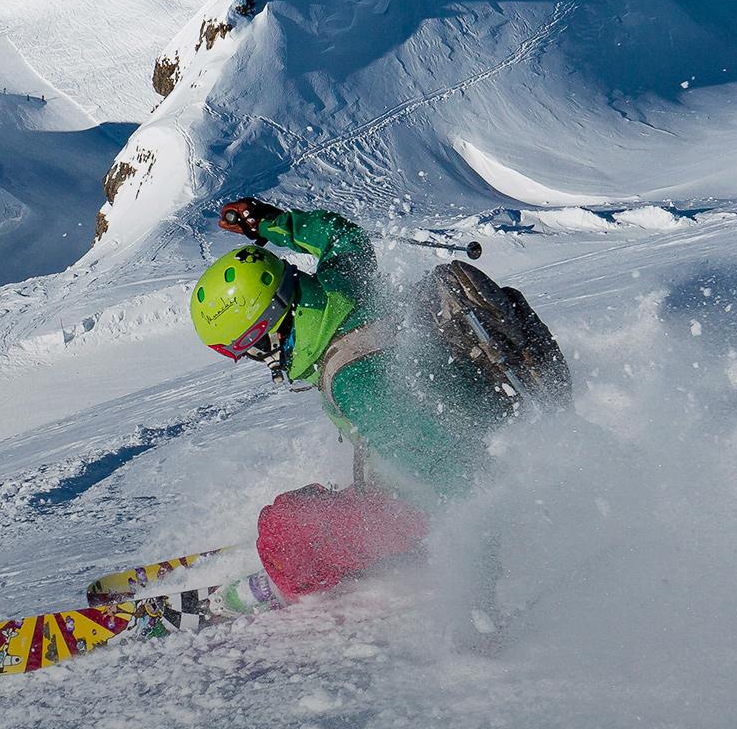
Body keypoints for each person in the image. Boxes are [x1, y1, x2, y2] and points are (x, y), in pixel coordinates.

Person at [190, 197, 525, 611]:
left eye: (242, 347)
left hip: (453, 491)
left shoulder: (356, 382)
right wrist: (272, 224)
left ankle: (279, 581)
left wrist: (480, 603)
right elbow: (342, 237)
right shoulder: (342, 285)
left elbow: (462, 484)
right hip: (477, 429)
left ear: (266, 330)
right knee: (311, 504)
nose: (251, 358)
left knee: (283, 532)